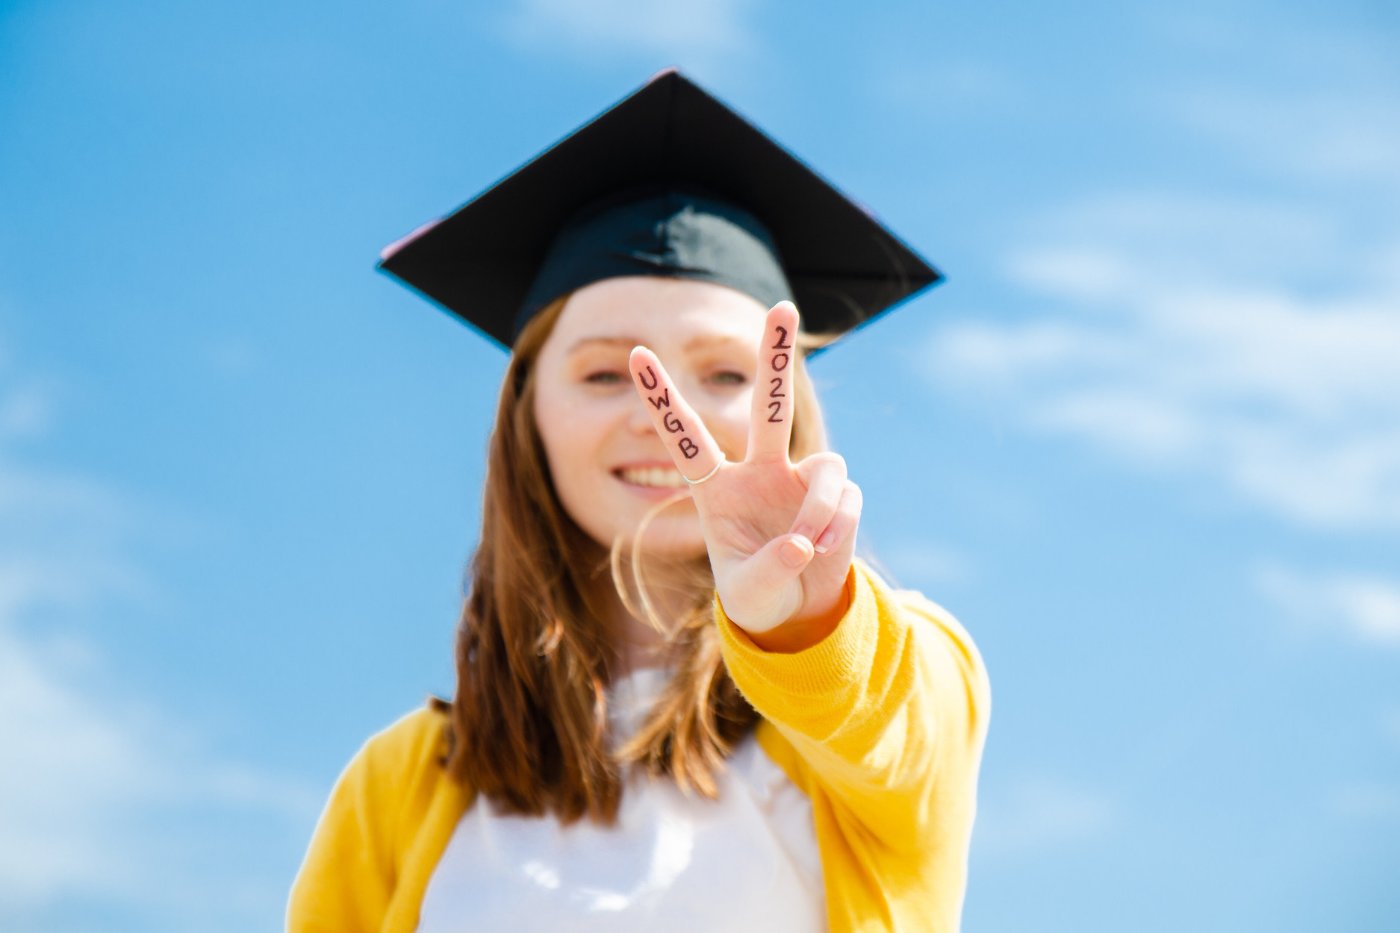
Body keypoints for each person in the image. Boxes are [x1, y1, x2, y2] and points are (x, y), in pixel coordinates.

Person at [287, 69, 990, 933]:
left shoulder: (882, 704)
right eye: (603, 372)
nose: (668, 418)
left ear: (788, 405)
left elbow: (883, 707)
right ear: (526, 414)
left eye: (726, 372)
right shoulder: (402, 782)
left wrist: (802, 626)